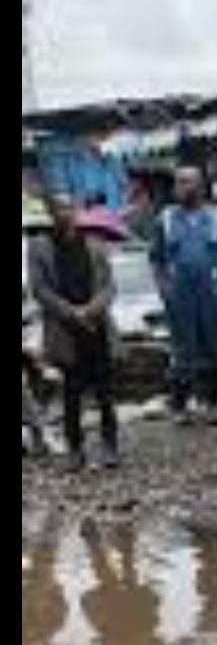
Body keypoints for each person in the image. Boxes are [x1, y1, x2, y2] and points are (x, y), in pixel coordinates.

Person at [28, 192, 119, 471]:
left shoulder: (94, 244)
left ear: (76, 211)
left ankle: (110, 446)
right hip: (65, 331)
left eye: (69, 207)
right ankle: (75, 449)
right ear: (50, 213)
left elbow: (108, 286)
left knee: (105, 392)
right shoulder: (40, 247)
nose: (65, 213)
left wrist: (90, 310)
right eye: (59, 208)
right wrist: (72, 313)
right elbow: (40, 289)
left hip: (97, 327)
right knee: (71, 393)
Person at [150, 165, 217, 424]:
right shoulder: (166, 219)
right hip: (180, 296)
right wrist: (164, 288)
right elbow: (156, 259)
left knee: (216, 350)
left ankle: (216, 405)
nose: (181, 187)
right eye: (178, 182)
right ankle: (180, 406)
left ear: (200, 186)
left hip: (213, 295)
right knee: (182, 351)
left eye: (187, 182)